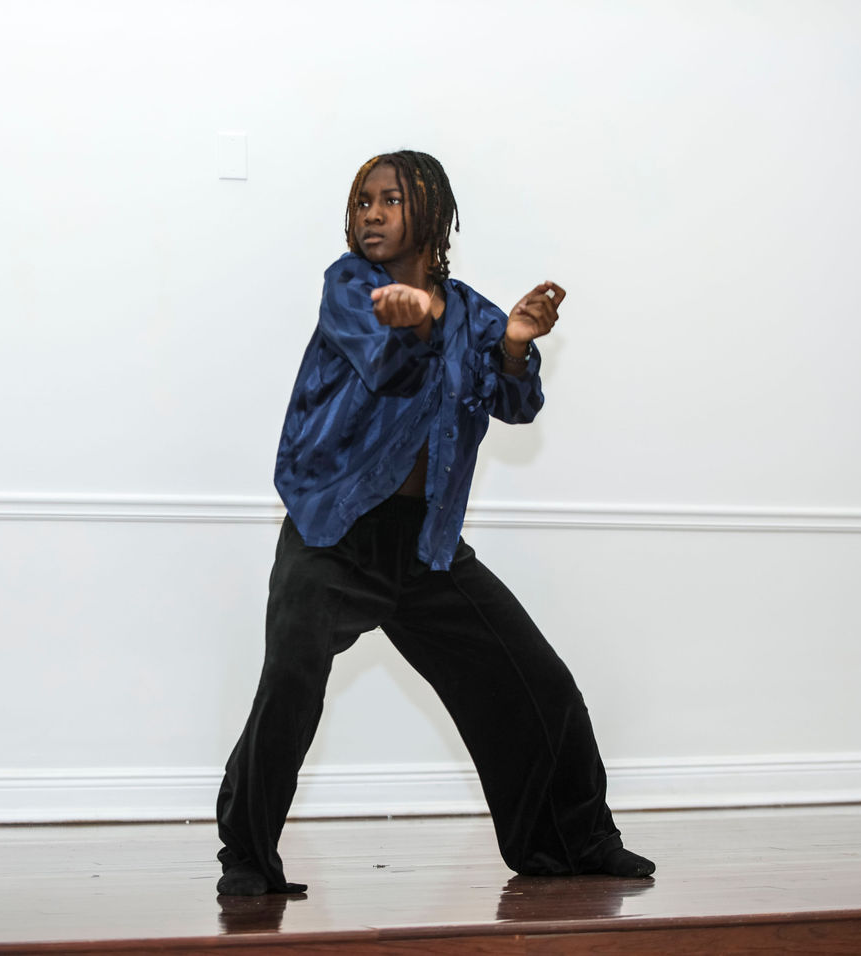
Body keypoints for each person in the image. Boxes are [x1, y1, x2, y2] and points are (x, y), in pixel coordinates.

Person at [215, 149, 655, 897]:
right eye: (362, 201)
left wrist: (513, 344)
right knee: (290, 686)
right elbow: (387, 367)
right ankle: (249, 862)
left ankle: (573, 843)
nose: (372, 213)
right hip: (334, 534)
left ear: (432, 213)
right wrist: (412, 327)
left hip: (427, 545)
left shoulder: (472, 312)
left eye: (390, 200)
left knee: (538, 684)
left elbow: (513, 405)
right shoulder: (349, 286)